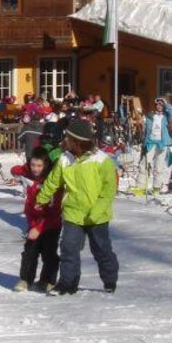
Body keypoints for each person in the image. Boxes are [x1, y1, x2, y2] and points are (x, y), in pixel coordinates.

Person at [35, 118, 119, 295]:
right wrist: (41, 199)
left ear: (78, 141)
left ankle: (110, 278)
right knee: (68, 248)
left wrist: (96, 211)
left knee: (101, 250)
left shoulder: (102, 160)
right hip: (73, 212)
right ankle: (67, 283)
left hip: (97, 216)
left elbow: (108, 190)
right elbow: (53, 181)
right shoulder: (65, 159)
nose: (65, 141)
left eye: (68, 139)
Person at [10, 148, 63, 292]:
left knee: (49, 252)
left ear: (45, 165)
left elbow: (53, 210)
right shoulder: (29, 174)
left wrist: (39, 228)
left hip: (50, 222)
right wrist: (16, 170)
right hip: (33, 221)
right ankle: (25, 279)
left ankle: (48, 280)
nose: (35, 168)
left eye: (39, 166)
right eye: (33, 165)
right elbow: (18, 170)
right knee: (30, 251)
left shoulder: (51, 181)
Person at [143, 97, 172, 194]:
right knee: (144, 164)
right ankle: (140, 187)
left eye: (161, 105)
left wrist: (166, 103)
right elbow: (145, 129)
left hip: (162, 143)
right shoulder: (150, 115)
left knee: (158, 167)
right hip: (150, 142)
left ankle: (156, 188)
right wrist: (143, 142)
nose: (159, 106)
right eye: (158, 104)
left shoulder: (166, 116)